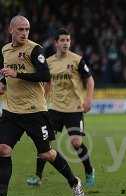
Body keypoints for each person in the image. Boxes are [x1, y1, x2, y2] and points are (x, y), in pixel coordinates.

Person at [0, 16, 84, 196]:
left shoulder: (34, 49)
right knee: (3, 149)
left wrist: (16, 74)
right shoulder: (5, 50)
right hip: (12, 111)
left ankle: (74, 182)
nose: (24, 33)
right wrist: (3, 84)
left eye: (27, 29)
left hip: (34, 112)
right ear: (10, 29)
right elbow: (6, 74)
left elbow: (44, 75)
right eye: (20, 29)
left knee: (46, 154)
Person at [26, 28, 95, 187]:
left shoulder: (77, 60)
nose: (65, 43)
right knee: (44, 143)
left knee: (76, 143)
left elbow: (90, 80)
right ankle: (37, 177)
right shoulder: (48, 62)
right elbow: (46, 84)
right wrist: (41, 101)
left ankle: (89, 170)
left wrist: (89, 99)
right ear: (56, 43)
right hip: (54, 109)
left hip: (74, 109)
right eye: (62, 40)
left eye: (68, 40)